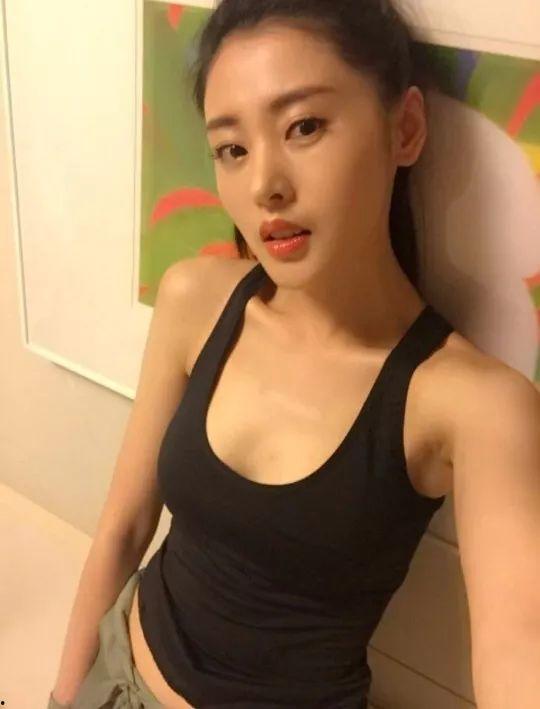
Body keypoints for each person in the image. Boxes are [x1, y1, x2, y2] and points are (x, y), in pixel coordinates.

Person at [49, 0, 540, 707]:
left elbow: (518, 648)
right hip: (116, 670)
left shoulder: (472, 402)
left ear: (403, 128)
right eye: (232, 149)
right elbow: (123, 531)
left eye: (304, 126)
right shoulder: (196, 299)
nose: (264, 186)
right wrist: (63, 696)